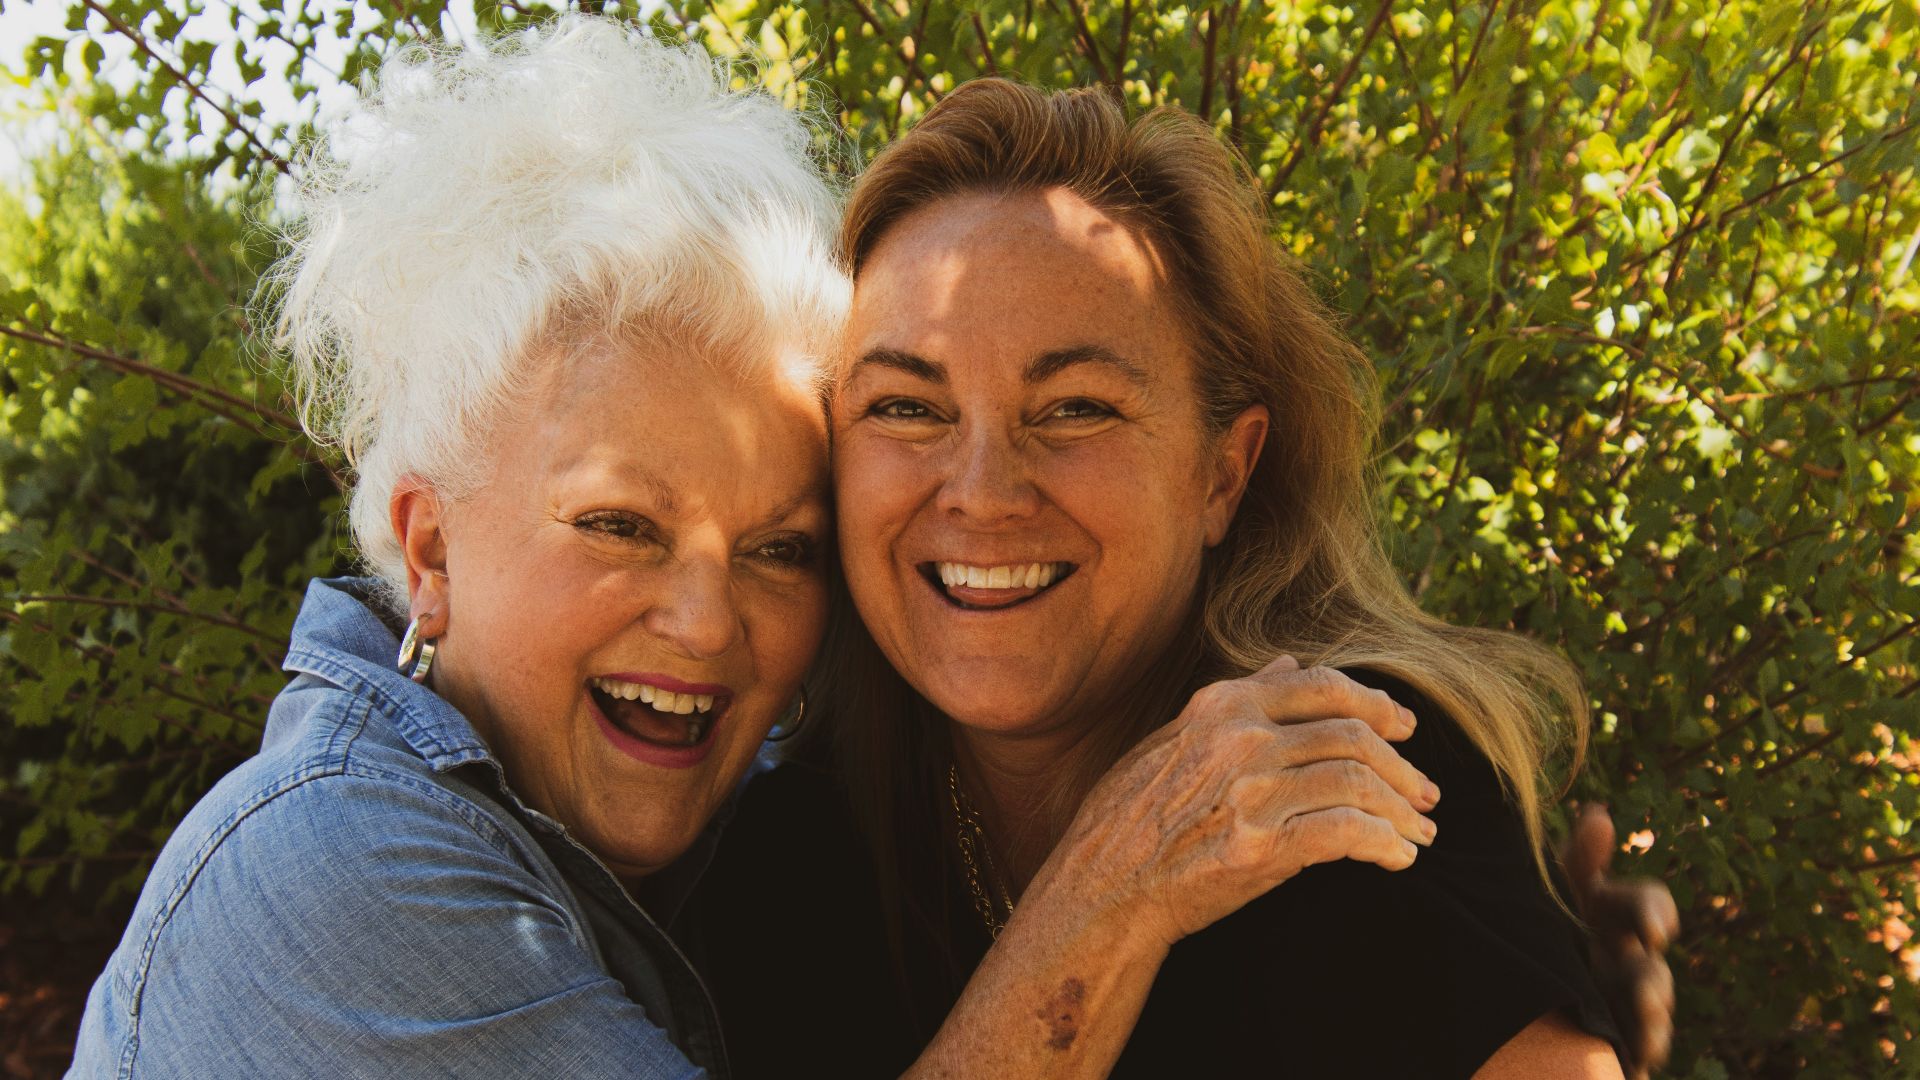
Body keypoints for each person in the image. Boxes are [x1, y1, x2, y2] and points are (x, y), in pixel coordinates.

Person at [66, 21, 1445, 1079]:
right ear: (429, 551)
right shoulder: (335, 871)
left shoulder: (734, 837)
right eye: (618, 525)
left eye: (781, 550)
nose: (708, 623)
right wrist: (1111, 888)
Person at [684, 78, 1658, 1078]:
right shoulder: (789, 854)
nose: (981, 494)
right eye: (906, 408)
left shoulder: (1338, 772)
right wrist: (1107, 897)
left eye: (1076, 409)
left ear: (1221, 475)